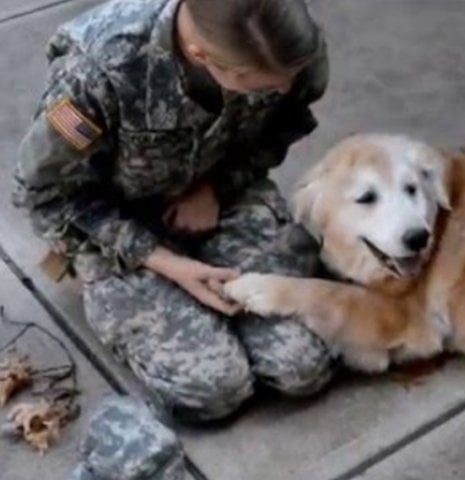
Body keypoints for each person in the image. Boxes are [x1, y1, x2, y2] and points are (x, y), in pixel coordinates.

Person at [12, 0, 334, 423]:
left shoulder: (289, 45)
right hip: (117, 226)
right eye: (260, 88)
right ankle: (114, 293)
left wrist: (215, 188)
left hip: (220, 194)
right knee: (216, 389)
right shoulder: (96, 75)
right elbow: (44, 195)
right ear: (200, 55)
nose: (281, 91)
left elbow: (283, 127)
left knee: (302, 366)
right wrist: (165, 261)